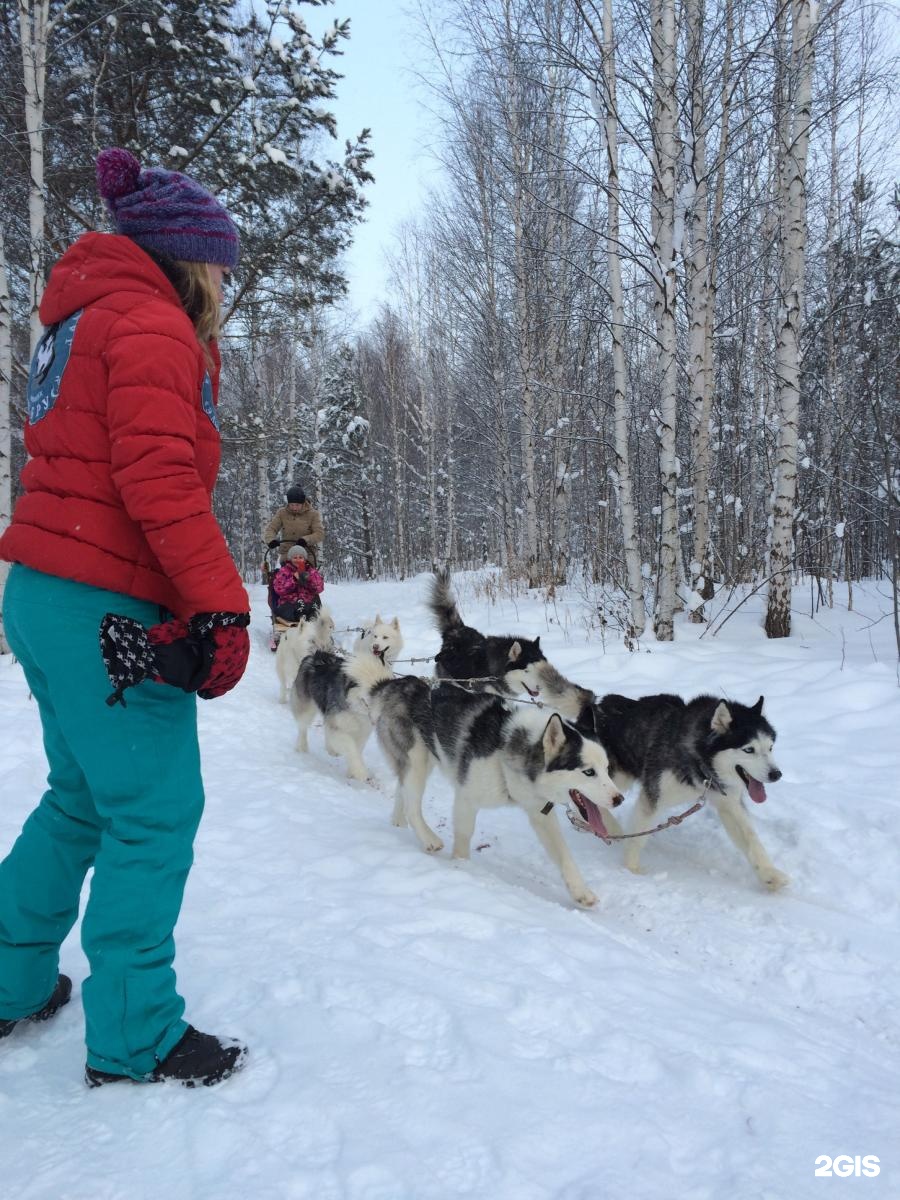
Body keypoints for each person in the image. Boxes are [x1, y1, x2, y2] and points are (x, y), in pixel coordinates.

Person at [0, 147, 252, 1089]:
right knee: (151, 811)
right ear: (188, 258)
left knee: (80, 800)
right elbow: (160, 482)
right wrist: (221, 606)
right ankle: (136, 1035)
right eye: (223, 265)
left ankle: (10, 981)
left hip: (43, 588)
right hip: (105, 603)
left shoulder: (82, 321)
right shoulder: (150, 324)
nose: (227, 283)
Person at [263, 486, 324, 567]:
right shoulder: (282, 513)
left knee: (306, 578)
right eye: (292, 505)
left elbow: (319, 534)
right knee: (284, 578)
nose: (294, 508)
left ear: (303, 503)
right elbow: (271, 529)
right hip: (287, 555)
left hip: (306, 555)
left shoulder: (313, 514)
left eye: (297, 505)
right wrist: (271, 540)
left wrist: (305, 540)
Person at [270, 545, 324, 625]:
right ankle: (301, 617)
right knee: (291, 609)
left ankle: (312, 617)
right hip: (289, 603)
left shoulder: (311, 571)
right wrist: (294, 579)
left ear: (304, 559)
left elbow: (319, 588)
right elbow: (279, 589)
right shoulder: (284, 571)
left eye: (300, 557)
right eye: (295, 558)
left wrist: (309, 579)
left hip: (308, 602)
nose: (298, 560)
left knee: (314, 609)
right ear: (290, 559)